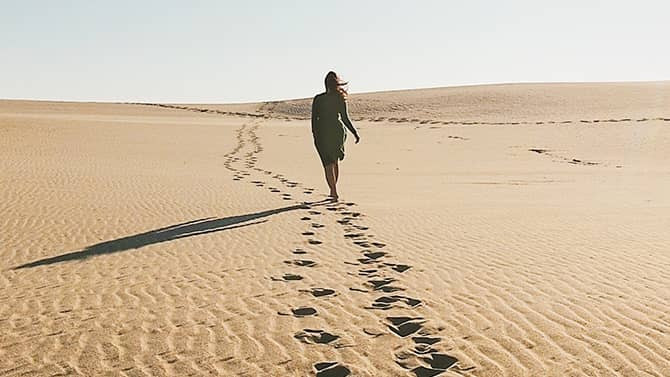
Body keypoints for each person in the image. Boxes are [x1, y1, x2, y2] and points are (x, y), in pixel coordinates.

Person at [311, 71, 360, 200]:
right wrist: (354, 133)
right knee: (334, 162)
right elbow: (345, 118)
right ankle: (333, 190)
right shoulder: (339, 98)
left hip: (323, 132)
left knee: (327, 164)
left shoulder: (318, 99)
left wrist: (316, 136)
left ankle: (333, 190)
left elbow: (314, 120)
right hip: (337, 131)